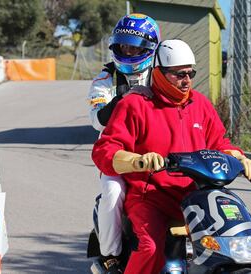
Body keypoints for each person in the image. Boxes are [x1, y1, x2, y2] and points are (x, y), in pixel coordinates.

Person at [92, 39, 251, 274]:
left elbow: (219, 142)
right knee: (150, 247)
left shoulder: (200, 104)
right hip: (150, 196)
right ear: (158, 73)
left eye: (190, 73)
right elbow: (105, 149)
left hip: (195, 196)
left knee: (233, 239)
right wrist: (137, 160)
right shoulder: (135, 104)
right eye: (178, 74)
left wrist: (238, 157)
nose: (187, 80)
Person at [86, 13, 160, 273]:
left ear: (150, 48)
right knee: (112, 193)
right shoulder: (105, 78)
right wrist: (125, 98)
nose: (128, 50)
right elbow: (98, 119)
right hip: (118, 156)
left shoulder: (161, 74)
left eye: (134, 46)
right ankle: (110, 256)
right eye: (124, 44)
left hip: (159, 152)